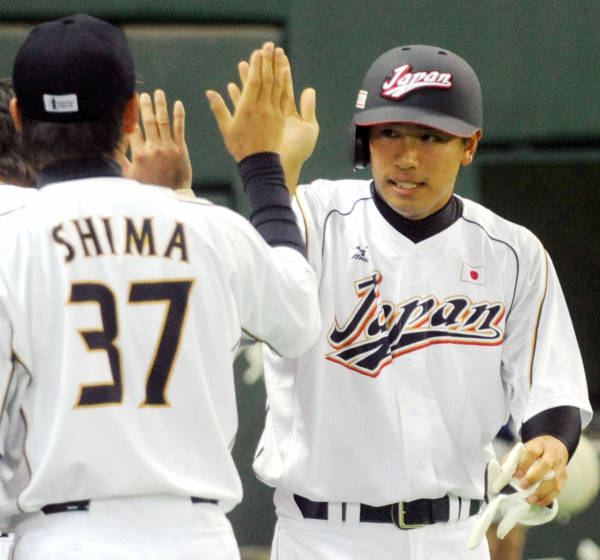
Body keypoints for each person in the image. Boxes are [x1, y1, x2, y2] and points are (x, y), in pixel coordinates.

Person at [221, 44, 593, 559]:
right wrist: (275, 173)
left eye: (431, 136)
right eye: (389, 132)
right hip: (325, 537)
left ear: (469, 145)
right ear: (363, 140)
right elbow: (254, 301)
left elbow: (552, 393)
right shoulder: (314, 215)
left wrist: (550, 448)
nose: (407, 156)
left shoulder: (512, 252)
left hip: (455, 538)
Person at [0, 15, 320, 560]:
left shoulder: (10, 240)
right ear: (130, 114)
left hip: (64, 538)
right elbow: (299, 319)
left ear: (17, 117)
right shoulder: (208, 227)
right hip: (196, 537)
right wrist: (265, 169)